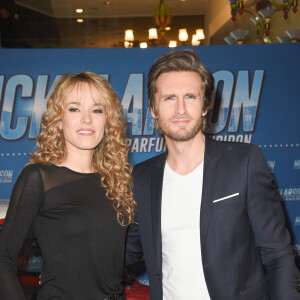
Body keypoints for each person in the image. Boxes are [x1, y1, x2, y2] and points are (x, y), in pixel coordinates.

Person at [125, 50, 300, 300]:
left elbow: (278, 255)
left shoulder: (245, 162)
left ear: (206, 105)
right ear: (153, 108)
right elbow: (124, 252)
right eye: (169, 98)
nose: (181, 109)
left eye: (190, 97)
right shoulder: (141, 178)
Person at [0, 71, 136, 300]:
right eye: (74, 109)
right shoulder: (39, 178)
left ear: (107, 120)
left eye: (97, 110)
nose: (87, 119)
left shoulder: (118, 182)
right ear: (59, 119)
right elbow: (3, 257)